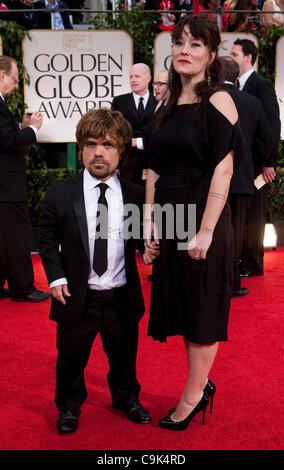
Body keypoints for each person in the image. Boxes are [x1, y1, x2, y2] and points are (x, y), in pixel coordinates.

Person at [144, 15, 244, 431]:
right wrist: (147, 224)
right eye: (179, 43)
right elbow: (152, 169)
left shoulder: (218, 99)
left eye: (196, 45)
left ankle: (194, 393)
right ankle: (200, 384)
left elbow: (223, 170)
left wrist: (205, 231)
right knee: (184, 305)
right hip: (169, 213)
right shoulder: (166, 103)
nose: (185, 50)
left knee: (202, 307)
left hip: (204, 216)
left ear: (211, 53)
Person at [39, 108, 159, 434]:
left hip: (121, 296)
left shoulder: (136, 196)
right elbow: (46, 240)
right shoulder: (60, 194)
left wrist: (148, 252)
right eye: (91, 144)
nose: (98, 152)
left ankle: (126, 398)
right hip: (77, 295)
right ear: (81, 149)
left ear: (121, 151)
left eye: (107, 144)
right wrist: (56, 276)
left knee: (123, 357)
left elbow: (141, 243)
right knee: (70, 359)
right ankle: (68, 405)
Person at [220, 56, 273, 297]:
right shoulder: (252, 102)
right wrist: (251, 164)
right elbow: (267, 138)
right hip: (242, 179)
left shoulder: (206, 100)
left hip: (210, 178)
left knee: (210, 229)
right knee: (236, 230)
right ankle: (232, 283)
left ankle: (211, 283)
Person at [0, 56, 51, 303]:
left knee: (4, 238)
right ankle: (24, 288)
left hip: (5, 186)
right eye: (15, 78)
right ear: (1, 75)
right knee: (18, 237)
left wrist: (23, 126)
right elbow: (8, 142)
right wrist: (33, 130)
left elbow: (5, 136)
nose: (17, 85)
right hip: (6, 187)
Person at [230, 39, 280, 277]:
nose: (231, 58)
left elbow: (273, 125)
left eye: (235, 54)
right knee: (243, 215)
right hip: (242, 164)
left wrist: (268, 162)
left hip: (257, 165)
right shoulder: (237, 85)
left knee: (254, 216)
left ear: (248, 57)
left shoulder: (262, 85)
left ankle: (253, 263)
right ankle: (242, 258)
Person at [111, 63, 157, 185]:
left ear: (148, 78)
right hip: (125, 166)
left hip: (152, 164)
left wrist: (139, 141)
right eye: (131, 77)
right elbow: (114, 133)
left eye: (137, 76)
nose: (133, 80)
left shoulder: (159, 103)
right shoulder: (119, 102)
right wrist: (115, 164)